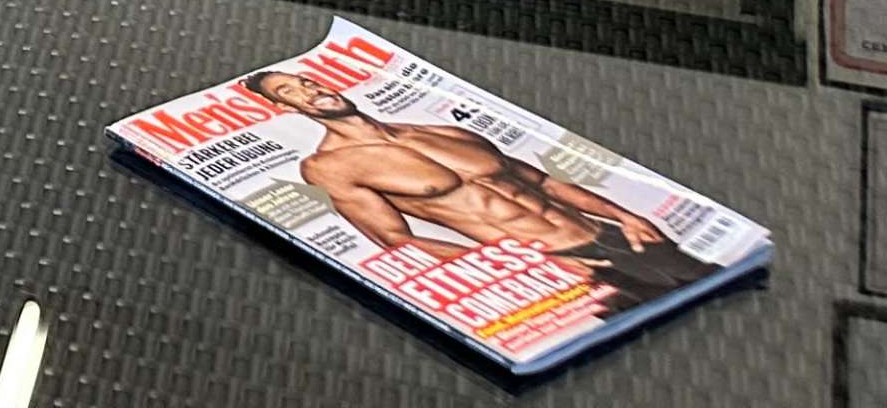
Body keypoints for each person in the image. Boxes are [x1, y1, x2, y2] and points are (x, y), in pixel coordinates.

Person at [244, 72, 713, 308]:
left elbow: (542, 181)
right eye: (290, 92)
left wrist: (624, 216)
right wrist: (530, 267)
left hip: (613, 238)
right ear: (286, 109)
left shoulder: (439, 131)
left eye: (307, 81)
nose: (308, 91)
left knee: (728, 291)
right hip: (560, 266)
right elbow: (397, 241)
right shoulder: (329, 167)